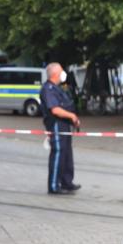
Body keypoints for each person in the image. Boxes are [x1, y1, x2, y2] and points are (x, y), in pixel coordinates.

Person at [41, 63, 80, 194]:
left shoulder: (58, 88)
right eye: (62, 71)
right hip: (56, 125)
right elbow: (55, 109)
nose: (64, 73)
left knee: (67, 154)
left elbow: (66, 105)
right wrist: (72, 116)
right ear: (55, 74)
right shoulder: (48, 89)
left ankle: (66, 182)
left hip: (64, 124)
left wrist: (72, 118)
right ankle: (53, 185)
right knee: (58, 153)